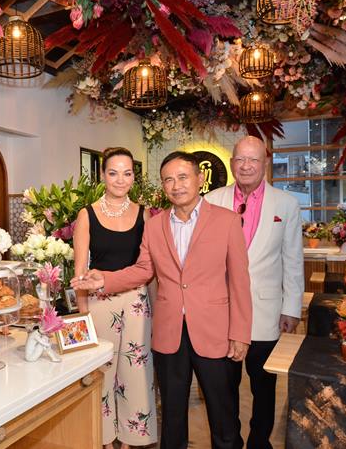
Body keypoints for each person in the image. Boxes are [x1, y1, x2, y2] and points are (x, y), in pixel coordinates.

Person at [73, 151, 253, 449]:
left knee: (224, 417)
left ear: (200, 179)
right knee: (171, 417)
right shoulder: (155, 225)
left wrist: (240, 333)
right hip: (169, 333)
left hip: (215, 332)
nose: (176, 185)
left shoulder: (227, 221)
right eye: (168, 179)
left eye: (183, 177)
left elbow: (239, 281)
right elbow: (144, 270)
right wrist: (104, 280)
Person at [205, 136, 303, 449]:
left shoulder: (285, 204)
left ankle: (260, 442)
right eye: (240, 159)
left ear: (265, 164)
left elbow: (293, 259)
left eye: (254, 160)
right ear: (232, 162)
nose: (246, 166)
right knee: (224, 386)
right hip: (221, 312)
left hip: (266, 312)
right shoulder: (212, 199)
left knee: (263, 386)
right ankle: (228, 441)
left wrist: (291, 308)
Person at [73, 147, 157, 449]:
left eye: (127, 173)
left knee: (136, 370)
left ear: (134, 176)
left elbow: (149, 267)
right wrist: (83, 316)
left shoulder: (144, 213)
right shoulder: (87, 214)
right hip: (98, 302)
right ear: (102, 175)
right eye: (113, 172)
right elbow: (80, 271)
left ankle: (134, 435)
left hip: (136, 302)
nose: (120, 180)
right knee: (102, 371)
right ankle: (104, 436)